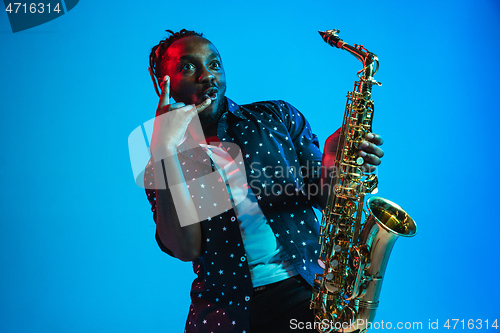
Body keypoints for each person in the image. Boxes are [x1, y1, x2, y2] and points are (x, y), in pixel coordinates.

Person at [144, 29, 384, 333]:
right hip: (224, 313)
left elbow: (327, 201)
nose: (207, 75)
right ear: (162, 85)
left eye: (215, 64)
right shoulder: (163, 160)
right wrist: (165, 150)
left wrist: (332, 160)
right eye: (188, 67)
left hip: (307, 295)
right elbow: (185, 248)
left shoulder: (277, 117)